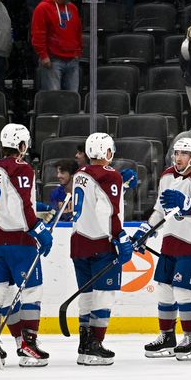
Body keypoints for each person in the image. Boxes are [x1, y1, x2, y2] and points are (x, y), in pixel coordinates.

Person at [133, 138, 191, 361]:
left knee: (183, 291)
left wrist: (187, 206)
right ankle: (167, 337)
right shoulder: (167, 175)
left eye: (184, 153)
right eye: (177, 153)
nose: (178, 157)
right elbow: (160, 210)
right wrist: (146, 229)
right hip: (171, 241)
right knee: (164, 289)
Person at [0, 124, 52, 367]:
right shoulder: (22, 168)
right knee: (32, 291)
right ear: (22, 146)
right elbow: (22, 205)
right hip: (18, 240)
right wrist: (40, 230)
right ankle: (27, 346)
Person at [68, 133, 131, 365]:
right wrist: (120, 237)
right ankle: (96, 344)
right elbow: (109, 211)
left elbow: (97, 197)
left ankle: (84, 346)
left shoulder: (79, 174)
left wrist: (121, 184)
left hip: (78, 244)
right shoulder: (110, 175)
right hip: (101, 243)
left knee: (86, 297)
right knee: (104, 296)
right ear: (106, 152)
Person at [31, 0, 82, 91]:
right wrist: (43, 55)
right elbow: (38, 34)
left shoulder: (72, 8)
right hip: (53, 60)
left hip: (72, 59)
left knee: (72, 96)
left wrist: (78, 52)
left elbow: (77, 32)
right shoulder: (42, 8)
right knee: (53, 97)